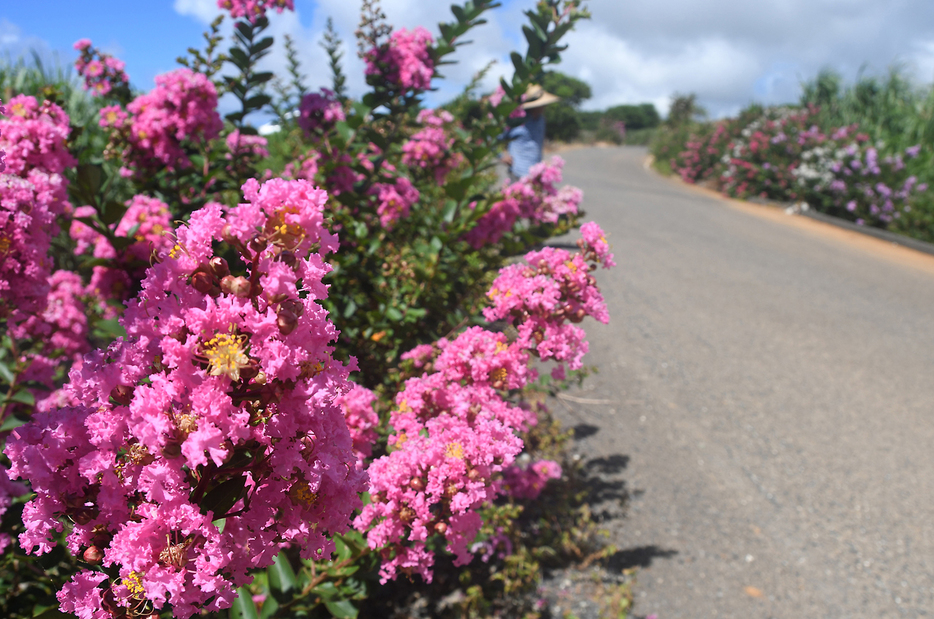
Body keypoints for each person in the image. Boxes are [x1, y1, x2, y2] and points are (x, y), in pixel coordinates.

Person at [500, 84, 560, 179]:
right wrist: (501, 156)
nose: (544, 106)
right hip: (517, 173)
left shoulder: (541, 120)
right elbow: (493, 139)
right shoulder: (515, 121)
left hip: (536, 174)